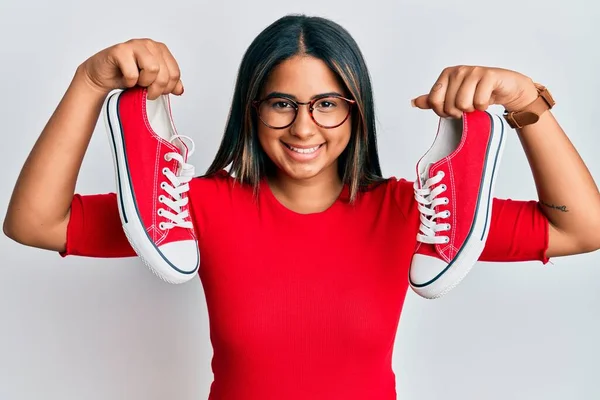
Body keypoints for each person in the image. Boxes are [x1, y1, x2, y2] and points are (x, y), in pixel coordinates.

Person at [3, 14, 600, 400]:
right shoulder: (192, 212)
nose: (304, 126)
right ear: (251, 110)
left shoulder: (418, 217)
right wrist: (89, 82)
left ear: (356, 110)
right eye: (281, 103)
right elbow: (33, 222)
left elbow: (582, 229)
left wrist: (527, 103)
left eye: (327, 103)